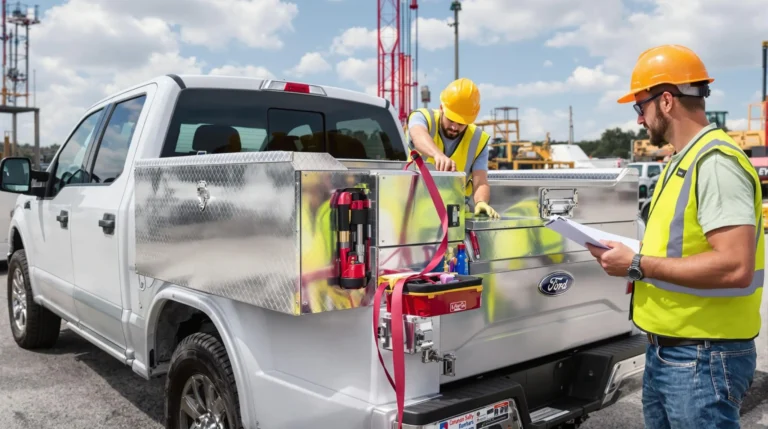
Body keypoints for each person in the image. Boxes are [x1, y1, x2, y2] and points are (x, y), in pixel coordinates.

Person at [587, 44, 762, 429]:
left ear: (666, 101)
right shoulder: (681, 161)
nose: (638, 120)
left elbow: (735, 267)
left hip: (702, 357)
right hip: (674, 352)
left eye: (640, 107)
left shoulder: (715, 163)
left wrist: (635, 264)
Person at [407, 78, 500, 219]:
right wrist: (438, 155)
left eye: (461, 123)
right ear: (441, 108)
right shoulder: (422, 117)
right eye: (451, 120)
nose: (454, 127)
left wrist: (481, 202)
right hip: (414, 211)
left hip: (454, 216)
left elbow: (480, 181)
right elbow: (418, 135)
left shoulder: (478, 140)